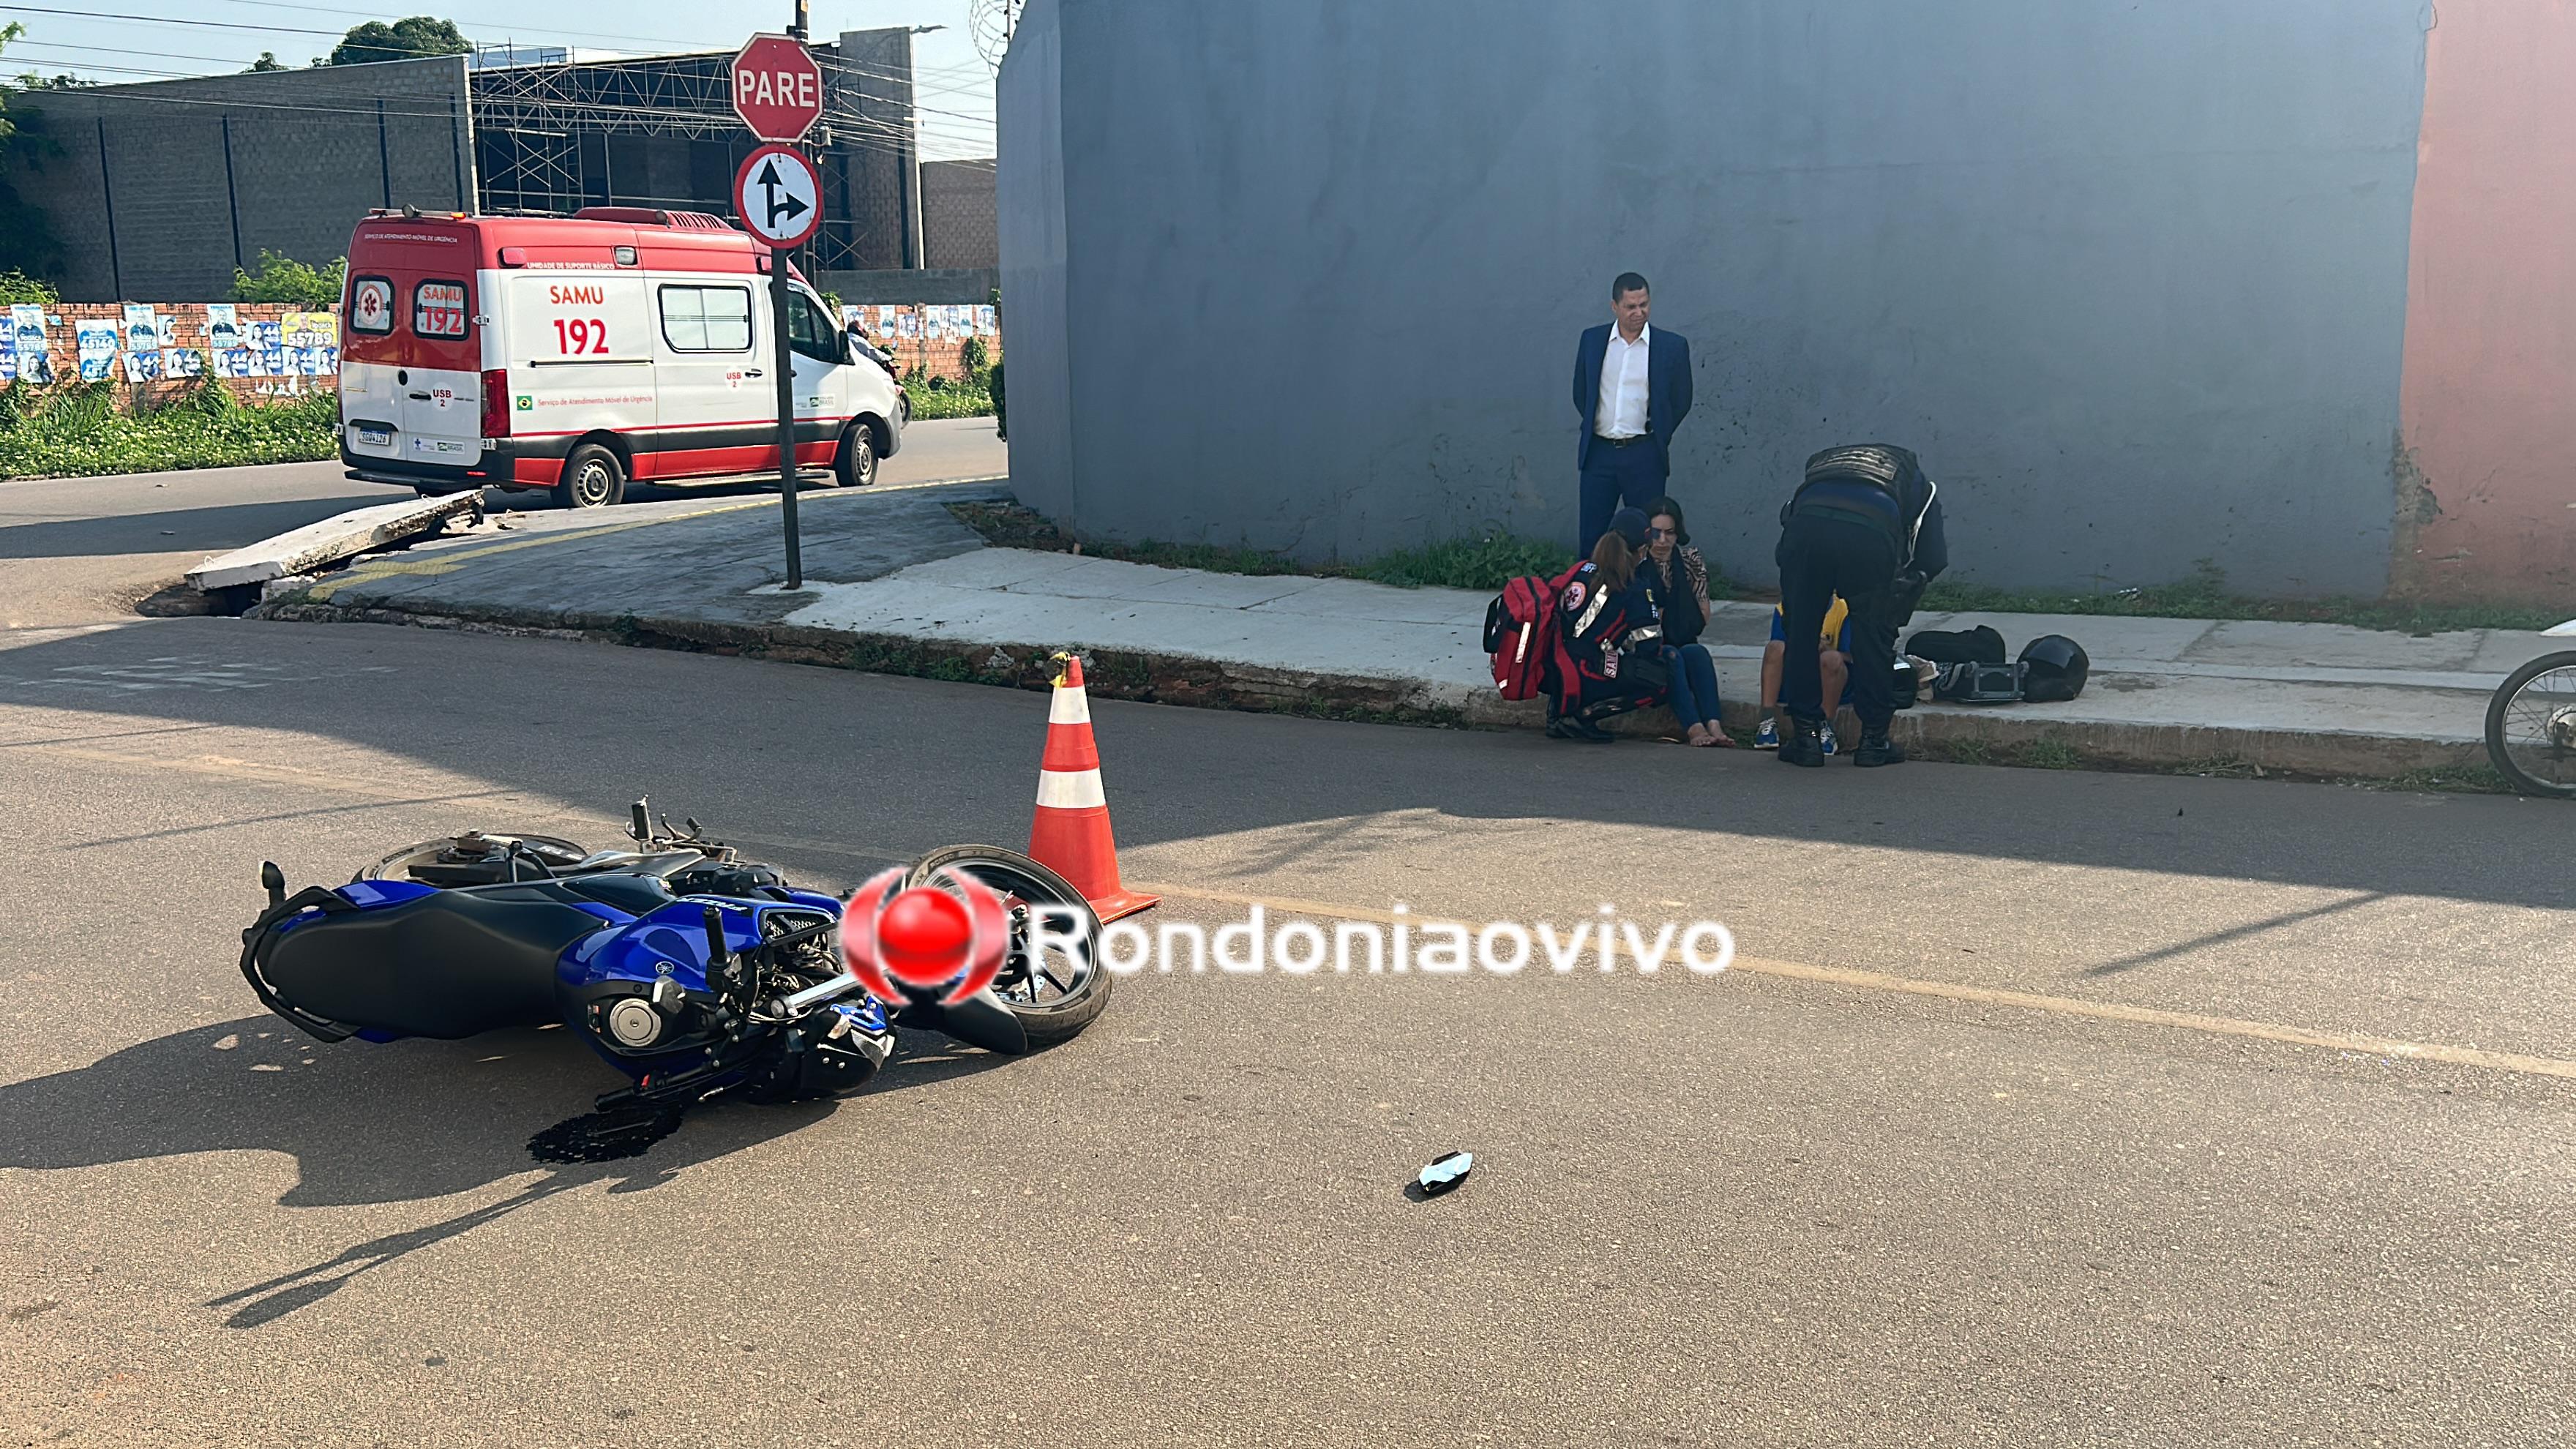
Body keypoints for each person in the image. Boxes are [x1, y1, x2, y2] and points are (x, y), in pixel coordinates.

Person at [1772, 443, 1948, 768]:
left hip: (1807, 533)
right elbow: (1935, 556)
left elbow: (1788, 531)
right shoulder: (1919, 484)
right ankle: (1873, 742)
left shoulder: (1820, 471)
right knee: (1873, 639)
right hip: (1869, 538)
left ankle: (1806, 740)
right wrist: (1906, 586)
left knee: (1801, 635)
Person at [1571, 273, 1692, 559]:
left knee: (1648, 537)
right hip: (1598, 452)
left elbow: (1681, 400)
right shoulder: (1592, 341)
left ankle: (1648, 599)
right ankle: (1591, 599)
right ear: (1615, 306)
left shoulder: (1671, 347)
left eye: (1644, 305)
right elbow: (1582, 393)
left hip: (1644, 454)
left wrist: (1658, 432)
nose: (1639, 312)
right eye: (1631, 306)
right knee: (1592, 536)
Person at [1545, 506, 1663, 744]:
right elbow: (1650, 648)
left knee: (1582, 651)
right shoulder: (1635, 588)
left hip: (1549, 669)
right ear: (1641, 550)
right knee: (1658, 679)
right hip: (1584, 672)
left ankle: (1557, 713)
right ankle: (1583, 717)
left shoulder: (1582, 570)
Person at [1635, 497, 1733, 747]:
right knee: (1671, 656)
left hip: (1683, 640)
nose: (1662, 541)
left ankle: (1714, 724)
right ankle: (1694, 728)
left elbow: (1702, 615)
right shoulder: (1636, 562)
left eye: (1669, 533)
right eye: (1656, 533)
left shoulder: (1689, 560)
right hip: (1647, 648)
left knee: (1696, 653)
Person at [1753, 594, 1850, 755]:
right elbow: (1778, 648)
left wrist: (1822, 648)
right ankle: (1767, 721)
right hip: (1795, 678)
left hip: (1827, 682)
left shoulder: (1842, 609)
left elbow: (1852, 656)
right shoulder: (1786, 607)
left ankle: (1825, 727)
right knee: (1775, 647)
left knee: (1831, 658)